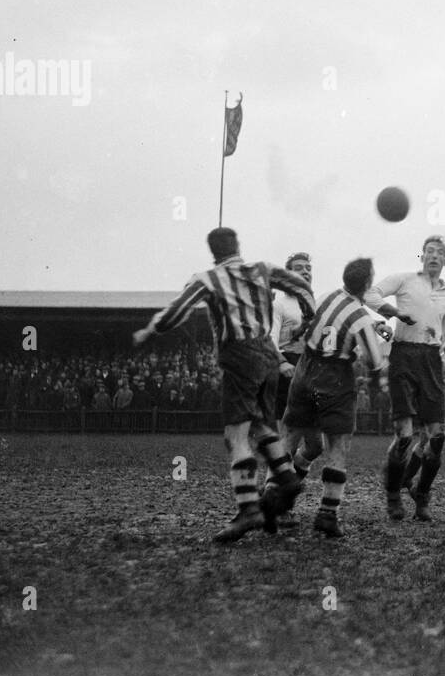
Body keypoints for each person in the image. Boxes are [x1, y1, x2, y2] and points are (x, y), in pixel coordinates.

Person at [133, 227, 315, 543]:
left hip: (239, 355)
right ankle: (286, 476)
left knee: (236, 435)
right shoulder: (263, 268)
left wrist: (151, 329)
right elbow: (302, 288)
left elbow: (176, 312)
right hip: (267, 355)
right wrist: (307, 322)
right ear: (237, 246)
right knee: (261, 424)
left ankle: (248, 510)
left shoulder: (207, 278)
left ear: (213, 251)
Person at [363, 235, 445, 522]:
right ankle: (392, 495)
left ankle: (421, 494)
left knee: (437, 437)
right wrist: (394, 312)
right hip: (403, 357)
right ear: (422, 256)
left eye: (439, 252)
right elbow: (370, 294)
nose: (434, 256)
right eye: (429, 251)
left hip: (430, 362)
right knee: (404, 436)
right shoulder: (404, 280)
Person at [283, 257, 387, 537]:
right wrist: (378, 381)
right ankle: (328, 512)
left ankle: (273, 498)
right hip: (335, 377)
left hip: (305, 369)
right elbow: (374, 361)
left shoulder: (327, 296)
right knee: (337, 445)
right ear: (366, 284)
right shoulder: (360, 317)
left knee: (291, 435)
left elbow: (309, 322)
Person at [267, 251, 316, 530]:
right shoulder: (279, 304)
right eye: (299, 268)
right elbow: (270, 339)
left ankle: (283, 487)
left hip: (312, 372)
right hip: (287, 370)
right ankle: (278, 503)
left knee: (316, 445)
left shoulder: (314, 305)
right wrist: (282, 363)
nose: (305, 272)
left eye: (308, 268)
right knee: (289, 439)